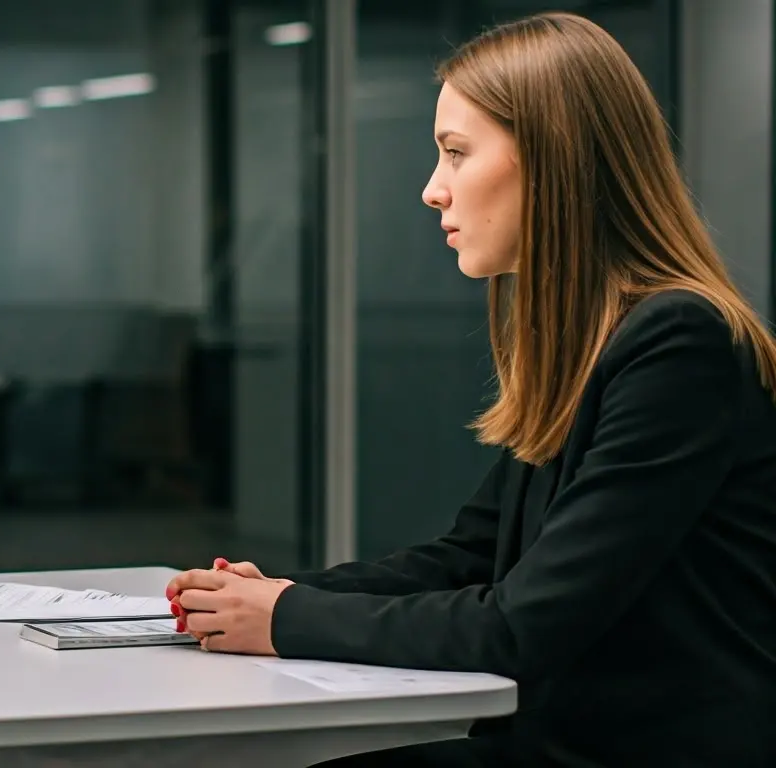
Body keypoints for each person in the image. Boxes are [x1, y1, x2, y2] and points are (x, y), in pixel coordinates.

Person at [168, 12, 776, 768]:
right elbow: (471, 558)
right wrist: (280, 592)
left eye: (456, 154)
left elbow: (520, 625)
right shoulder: (592, 339)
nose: (432, 191)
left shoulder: (681, 343)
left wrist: (288, 615)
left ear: (556, 161)